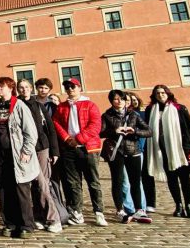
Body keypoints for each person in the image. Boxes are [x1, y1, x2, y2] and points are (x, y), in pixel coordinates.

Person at [52, 78, 106, 227]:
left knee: (93, 181)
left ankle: (99, 212)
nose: (70, 89)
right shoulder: (62, 107)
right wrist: (68, 139)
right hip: (69, 148)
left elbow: (95, 125)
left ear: (79, 88)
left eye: (73, 86)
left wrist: (80, 139)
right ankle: (77, 212)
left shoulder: (90, 105)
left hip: (88, 148)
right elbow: (55, 123)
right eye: (67, 87)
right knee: (73, 182)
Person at [0, 77, 40, 238]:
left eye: (1, 86)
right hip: (0, 155)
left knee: (21, 190)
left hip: (17, 154)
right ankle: (9, 223)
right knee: (4, 191)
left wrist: (26, 151)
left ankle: (26, 224)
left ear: (10, 88)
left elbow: (30, 132)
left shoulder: (19, 105)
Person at [16, 79, 62, 233]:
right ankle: (38, 216)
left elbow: (50, 129)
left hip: (41, 148)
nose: (24, 90)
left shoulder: (39, 106)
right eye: (21, 87)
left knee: (42, 182)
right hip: (24, 149)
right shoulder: (15, 105)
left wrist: (54, 151)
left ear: (31, 89)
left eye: (26, 87)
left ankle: (53, 218)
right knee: (33, 183)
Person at [100, 90, 151, 224]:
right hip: (116, 152)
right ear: (111, 101)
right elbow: (100, 133)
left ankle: (139, 209)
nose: (119, 101)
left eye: (121, 99)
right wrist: (114, 131)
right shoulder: (106, 115)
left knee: (135, 181)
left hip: (132, 150)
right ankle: (119, 210)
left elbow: (149, 131)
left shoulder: (133, 114)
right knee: (117, 180)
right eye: (116, 99)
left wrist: (135, 131)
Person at [145, 85, 190, 218]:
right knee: (172, 179)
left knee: (184, 178)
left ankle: (189, 205)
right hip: (161, 150)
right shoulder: (151, 110)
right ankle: (178, 205)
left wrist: (188, 146)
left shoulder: (179, 108)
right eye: (157, 93)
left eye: (163, 92)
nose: (160, 95)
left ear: (168, 93)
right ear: (154, 96)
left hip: (179, 149)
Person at [128, 92, 153, 213]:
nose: (133, 102)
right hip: (130, 148)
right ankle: (136, 204)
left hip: (142, 147)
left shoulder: (143, 113)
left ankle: (148, 203)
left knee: (146, 176)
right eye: (130, 100)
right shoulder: (126, 114)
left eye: (134, 99)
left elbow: (148, 130)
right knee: (133, 179)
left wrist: (135, 131)